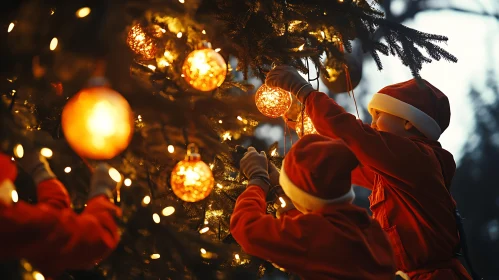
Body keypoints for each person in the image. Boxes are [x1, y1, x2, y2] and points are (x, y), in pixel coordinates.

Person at [266, 65, 472, 279]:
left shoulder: (417, 158)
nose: (371, 124)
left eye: (378, 115)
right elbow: (345, 159)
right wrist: (303, 122)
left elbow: (356, 137)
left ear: (408, 121)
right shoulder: (393, 172)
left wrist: (305, 93)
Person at [230, 135, 396, 280]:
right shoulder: (368, 228)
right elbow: (313, 235)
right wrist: (280, 190)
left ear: (304, 199)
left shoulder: (314, 235)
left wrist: (257, 180)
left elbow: (247, 228)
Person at [0, 150, 122, 278]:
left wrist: (41, 174)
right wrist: (101, 192)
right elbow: (90, 239)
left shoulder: (13, 220)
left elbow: (48, 222)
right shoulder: (9, 221)